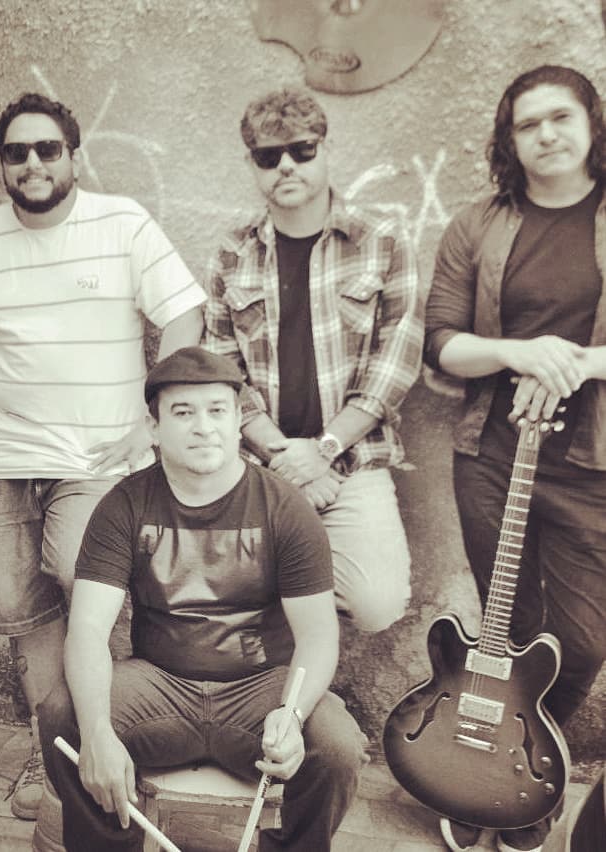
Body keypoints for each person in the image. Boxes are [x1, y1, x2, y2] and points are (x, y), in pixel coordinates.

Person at [0, 93, 205, 819]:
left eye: (47, 149)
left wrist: (154, 416)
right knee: (20, 607)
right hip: (2, 456)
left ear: (73, 158)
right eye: (16, 151)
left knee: (81, 581)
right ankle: (50, 744)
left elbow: (183, 313)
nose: (32, 162)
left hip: (96, 459)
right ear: (2, 164)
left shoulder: (123, 223)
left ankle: (108, 737)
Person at [37, 346, 368, 851]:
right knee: (64, 714)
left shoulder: (285, 508)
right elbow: (87, 628)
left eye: (217, 410)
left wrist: (294, 714)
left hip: (260, 694)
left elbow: (319, 634)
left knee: (338, 745)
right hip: (161, 687)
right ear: (154, 428)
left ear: (237, 422)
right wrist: (98, 732)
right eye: (183, 412)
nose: (203, 427)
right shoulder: (124, 505)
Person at [424, 64, 606, 852]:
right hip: (493, 454)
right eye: (527, 124)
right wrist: (518, 351)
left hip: (592, 468)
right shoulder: (479, 224)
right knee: (511, 630)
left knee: (583, 641)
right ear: (509, 140)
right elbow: (442, 343)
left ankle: (524, 763)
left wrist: (576, 363)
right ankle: (481, 778)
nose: (547, 135)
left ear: (593, 122)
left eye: (561, 117)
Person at [203, 85, 423, 635]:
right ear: (251, 165)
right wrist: (286, 459)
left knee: (377, 604)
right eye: (268, 156)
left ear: (326, 150)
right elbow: (223, 373)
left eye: (302, 150)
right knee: (229, 601)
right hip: (260, 464)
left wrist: (323, 451)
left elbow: (395, 365)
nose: (286, 166)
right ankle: (287, 679)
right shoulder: (232, 252)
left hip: (352, 462)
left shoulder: (382, 242)